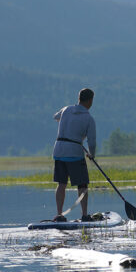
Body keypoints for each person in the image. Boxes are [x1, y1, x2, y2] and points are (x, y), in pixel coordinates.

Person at [52, 88, 96, 222]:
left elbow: (55, 117)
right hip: (75, 153)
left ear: (79, 98)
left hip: (59, 150)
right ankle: (84, 215)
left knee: (61, 183)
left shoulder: (66, 110)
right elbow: (92, 141)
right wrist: (91, 155)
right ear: (90, 101)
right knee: (82, 185)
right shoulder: (88, 118)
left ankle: (59, 214)